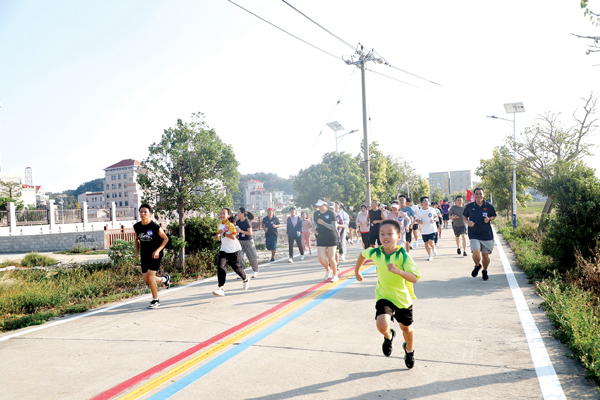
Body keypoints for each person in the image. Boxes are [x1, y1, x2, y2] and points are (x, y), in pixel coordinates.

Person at [354, 219, 420, 369]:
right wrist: (357, 271)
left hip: (402, 299)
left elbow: (414, 278)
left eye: (390, 233)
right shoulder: (376, 252)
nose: (385, 237)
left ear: (398, 236)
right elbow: (362, 254)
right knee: (382, 324)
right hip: (384, 295)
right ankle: (389, 336)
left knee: (406, 329)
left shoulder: (403, 255)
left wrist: (398, 271)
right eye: (382, 234)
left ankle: (409, 351)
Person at [134, 204, 170, 309]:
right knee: (147, 280)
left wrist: (158, 251)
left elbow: (166, 239)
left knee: (150, 277)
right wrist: (137, 251)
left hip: (155, 255)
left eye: (145, 212)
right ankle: (164, 279)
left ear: (150, 214)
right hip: (144, 254)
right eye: (141, 212)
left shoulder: (155, 226)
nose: (143, 214)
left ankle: (155, 300)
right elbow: (137, 239)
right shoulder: (137, 226)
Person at [213, 207, 250, 296]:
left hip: (233, 250)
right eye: (221, 213)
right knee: (221, 267)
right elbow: (219, 233)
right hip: (224, 250)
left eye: (224, 213)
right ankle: (220, 288)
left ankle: (245, 279)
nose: (221, 215)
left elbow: (233, 237)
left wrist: (223, 233)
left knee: (237, 268)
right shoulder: (219, 225)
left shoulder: (230, 225)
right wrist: (217, 235)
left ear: (228, 215)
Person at [463, 188, 497, 281]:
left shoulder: (489, 206)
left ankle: (484, 270)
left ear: (483, 195)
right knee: (476, 253)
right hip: (474, 233)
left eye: (480, 194)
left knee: (485, 256)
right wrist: (468, 222)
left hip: (486, 234)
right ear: (474, 195)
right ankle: (477, 265)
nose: (478, 195)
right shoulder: (469, 206)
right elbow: (465, 216)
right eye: (476, 194)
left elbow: (494, 216)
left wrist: (489, 219)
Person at [314, 199, 339, 282]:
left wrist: (323, 223)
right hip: (321, 237)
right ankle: (328, 270)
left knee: (331, 258)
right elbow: (316, 224)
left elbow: (334, 227)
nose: (319, 207)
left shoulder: (331, 213)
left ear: (325, 205)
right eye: (318, 206)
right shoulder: (316, 214)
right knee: (321, 258)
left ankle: (335, 275)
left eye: (320, 205)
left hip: (331, 237)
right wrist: (315, 229)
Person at [236, 207, 259, 278]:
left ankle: (255, 271)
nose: (237, 214)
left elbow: (250, 233)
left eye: (239, 212)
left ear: (243, 213)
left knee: (252, 256)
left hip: (248, 241)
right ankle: (242, 272)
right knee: (239, 257)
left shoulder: (247, 222)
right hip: (240, 241)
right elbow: (237, 231)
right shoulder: (238, 222)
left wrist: (241, 231)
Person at [415, 196, 438, 261]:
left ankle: (434, 248)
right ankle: (430, 255)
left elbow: (436, 216)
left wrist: (433, 220)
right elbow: (416, 219)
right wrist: (420, 221)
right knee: (426, 244)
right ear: (422, 203)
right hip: (424, 230)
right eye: (425, 201)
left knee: (431, 242)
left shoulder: (432, 209)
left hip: (432, 228)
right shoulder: (419, 211)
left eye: (427, 201)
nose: (427, 202)